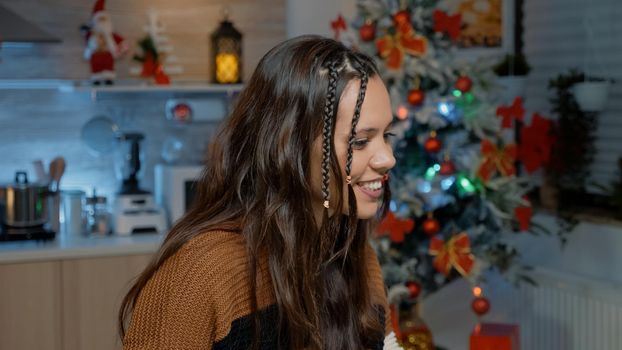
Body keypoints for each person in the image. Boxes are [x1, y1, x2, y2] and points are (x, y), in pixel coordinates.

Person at [119, 35, 400, 350]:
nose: (388, 158)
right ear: (288, 145)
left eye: (386, 135)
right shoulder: (203, 272)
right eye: (361, 141)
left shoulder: (355, 253)